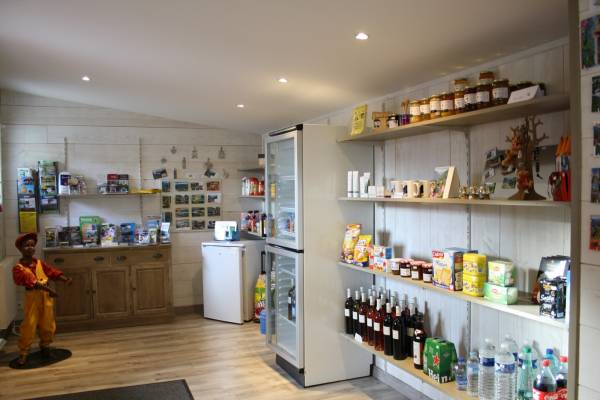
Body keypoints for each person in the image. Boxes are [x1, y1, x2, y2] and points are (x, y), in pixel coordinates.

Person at [12, 232, 72, 366]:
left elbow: (52, 272)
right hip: (32, 297)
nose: (30, 248)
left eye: (32, 245)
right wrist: (50, 290)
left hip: (45, 297)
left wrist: (65, 279)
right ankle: (24, 352)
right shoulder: (18, 269)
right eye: (26, 245)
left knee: (48, 323)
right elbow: (33, 283)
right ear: (20, 248)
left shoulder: (39, 263)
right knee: (29, 324)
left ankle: (45, 345)